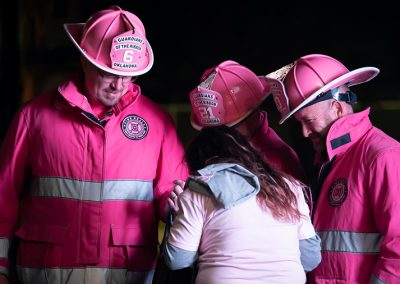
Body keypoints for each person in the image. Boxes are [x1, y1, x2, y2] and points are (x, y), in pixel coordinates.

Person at [0, 6, 188, 284]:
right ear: (85, 60)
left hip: (127, 275)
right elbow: (4, 198)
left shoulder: (158, 124)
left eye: (129, 74)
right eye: (108, 73)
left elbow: (172, 195)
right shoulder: (34, 117)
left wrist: (177, 204)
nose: (119, 85)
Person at [271, 53, 400, 283]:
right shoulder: (328, 162)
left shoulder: (383, 156)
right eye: (299, 123)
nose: (304, 133)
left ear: (337, 108)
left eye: (308, 121)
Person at [163, 126, 321, 284]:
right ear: (246, 151)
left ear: (198, 163)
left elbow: (178, 260)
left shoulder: (198, 191)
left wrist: (178, 216)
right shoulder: (289, 187)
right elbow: (310, 258)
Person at [188, 60, 307, 184]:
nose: (219, 137)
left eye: (227, 128)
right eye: (214, 131)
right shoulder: (224, 150)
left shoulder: (278, 161)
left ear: (253, 114)